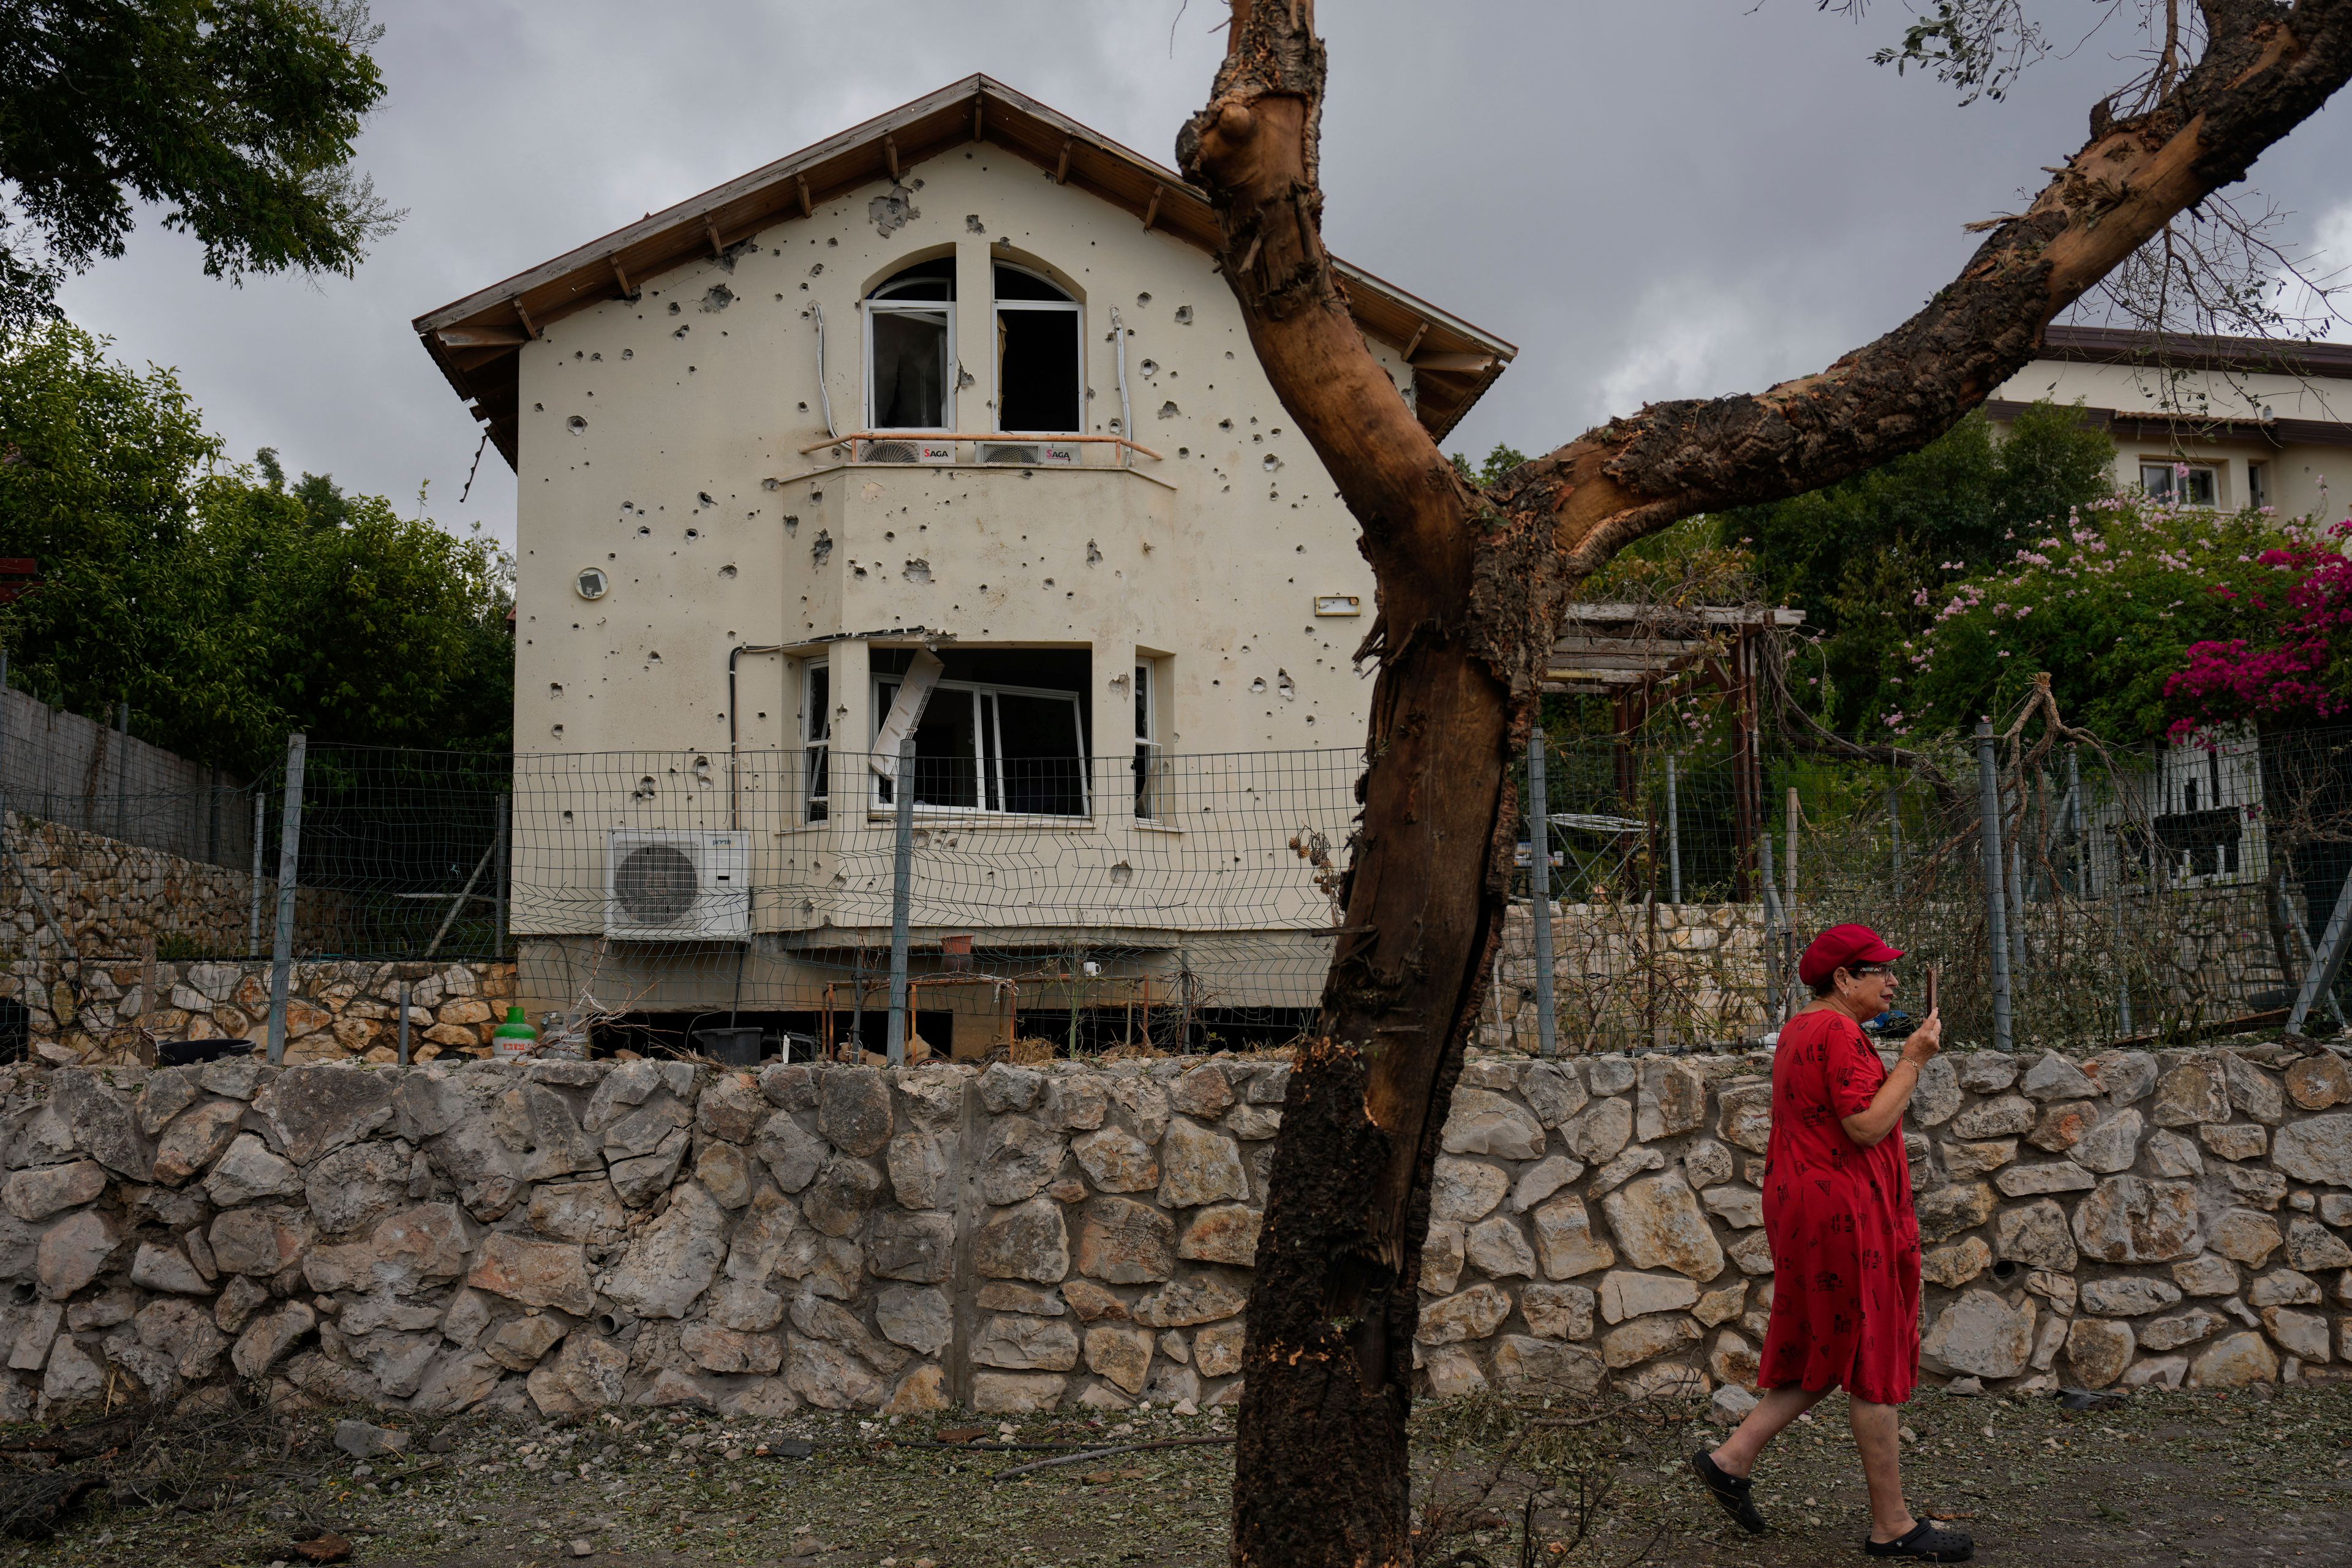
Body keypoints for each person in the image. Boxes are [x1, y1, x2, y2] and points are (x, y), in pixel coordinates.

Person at [1687, 922, 1972, 1562]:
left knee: (1831, 1341)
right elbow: (1868, 1125)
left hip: (1808, 1201)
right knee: (1868, 1354)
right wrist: (1913, 1062)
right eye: (1880, 969)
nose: (1893, 980)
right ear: (1843, 978)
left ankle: (1730, 1460)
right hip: (1840, 1208)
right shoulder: (1839, 1032)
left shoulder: (1801, 1026)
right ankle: (1893, 1526)